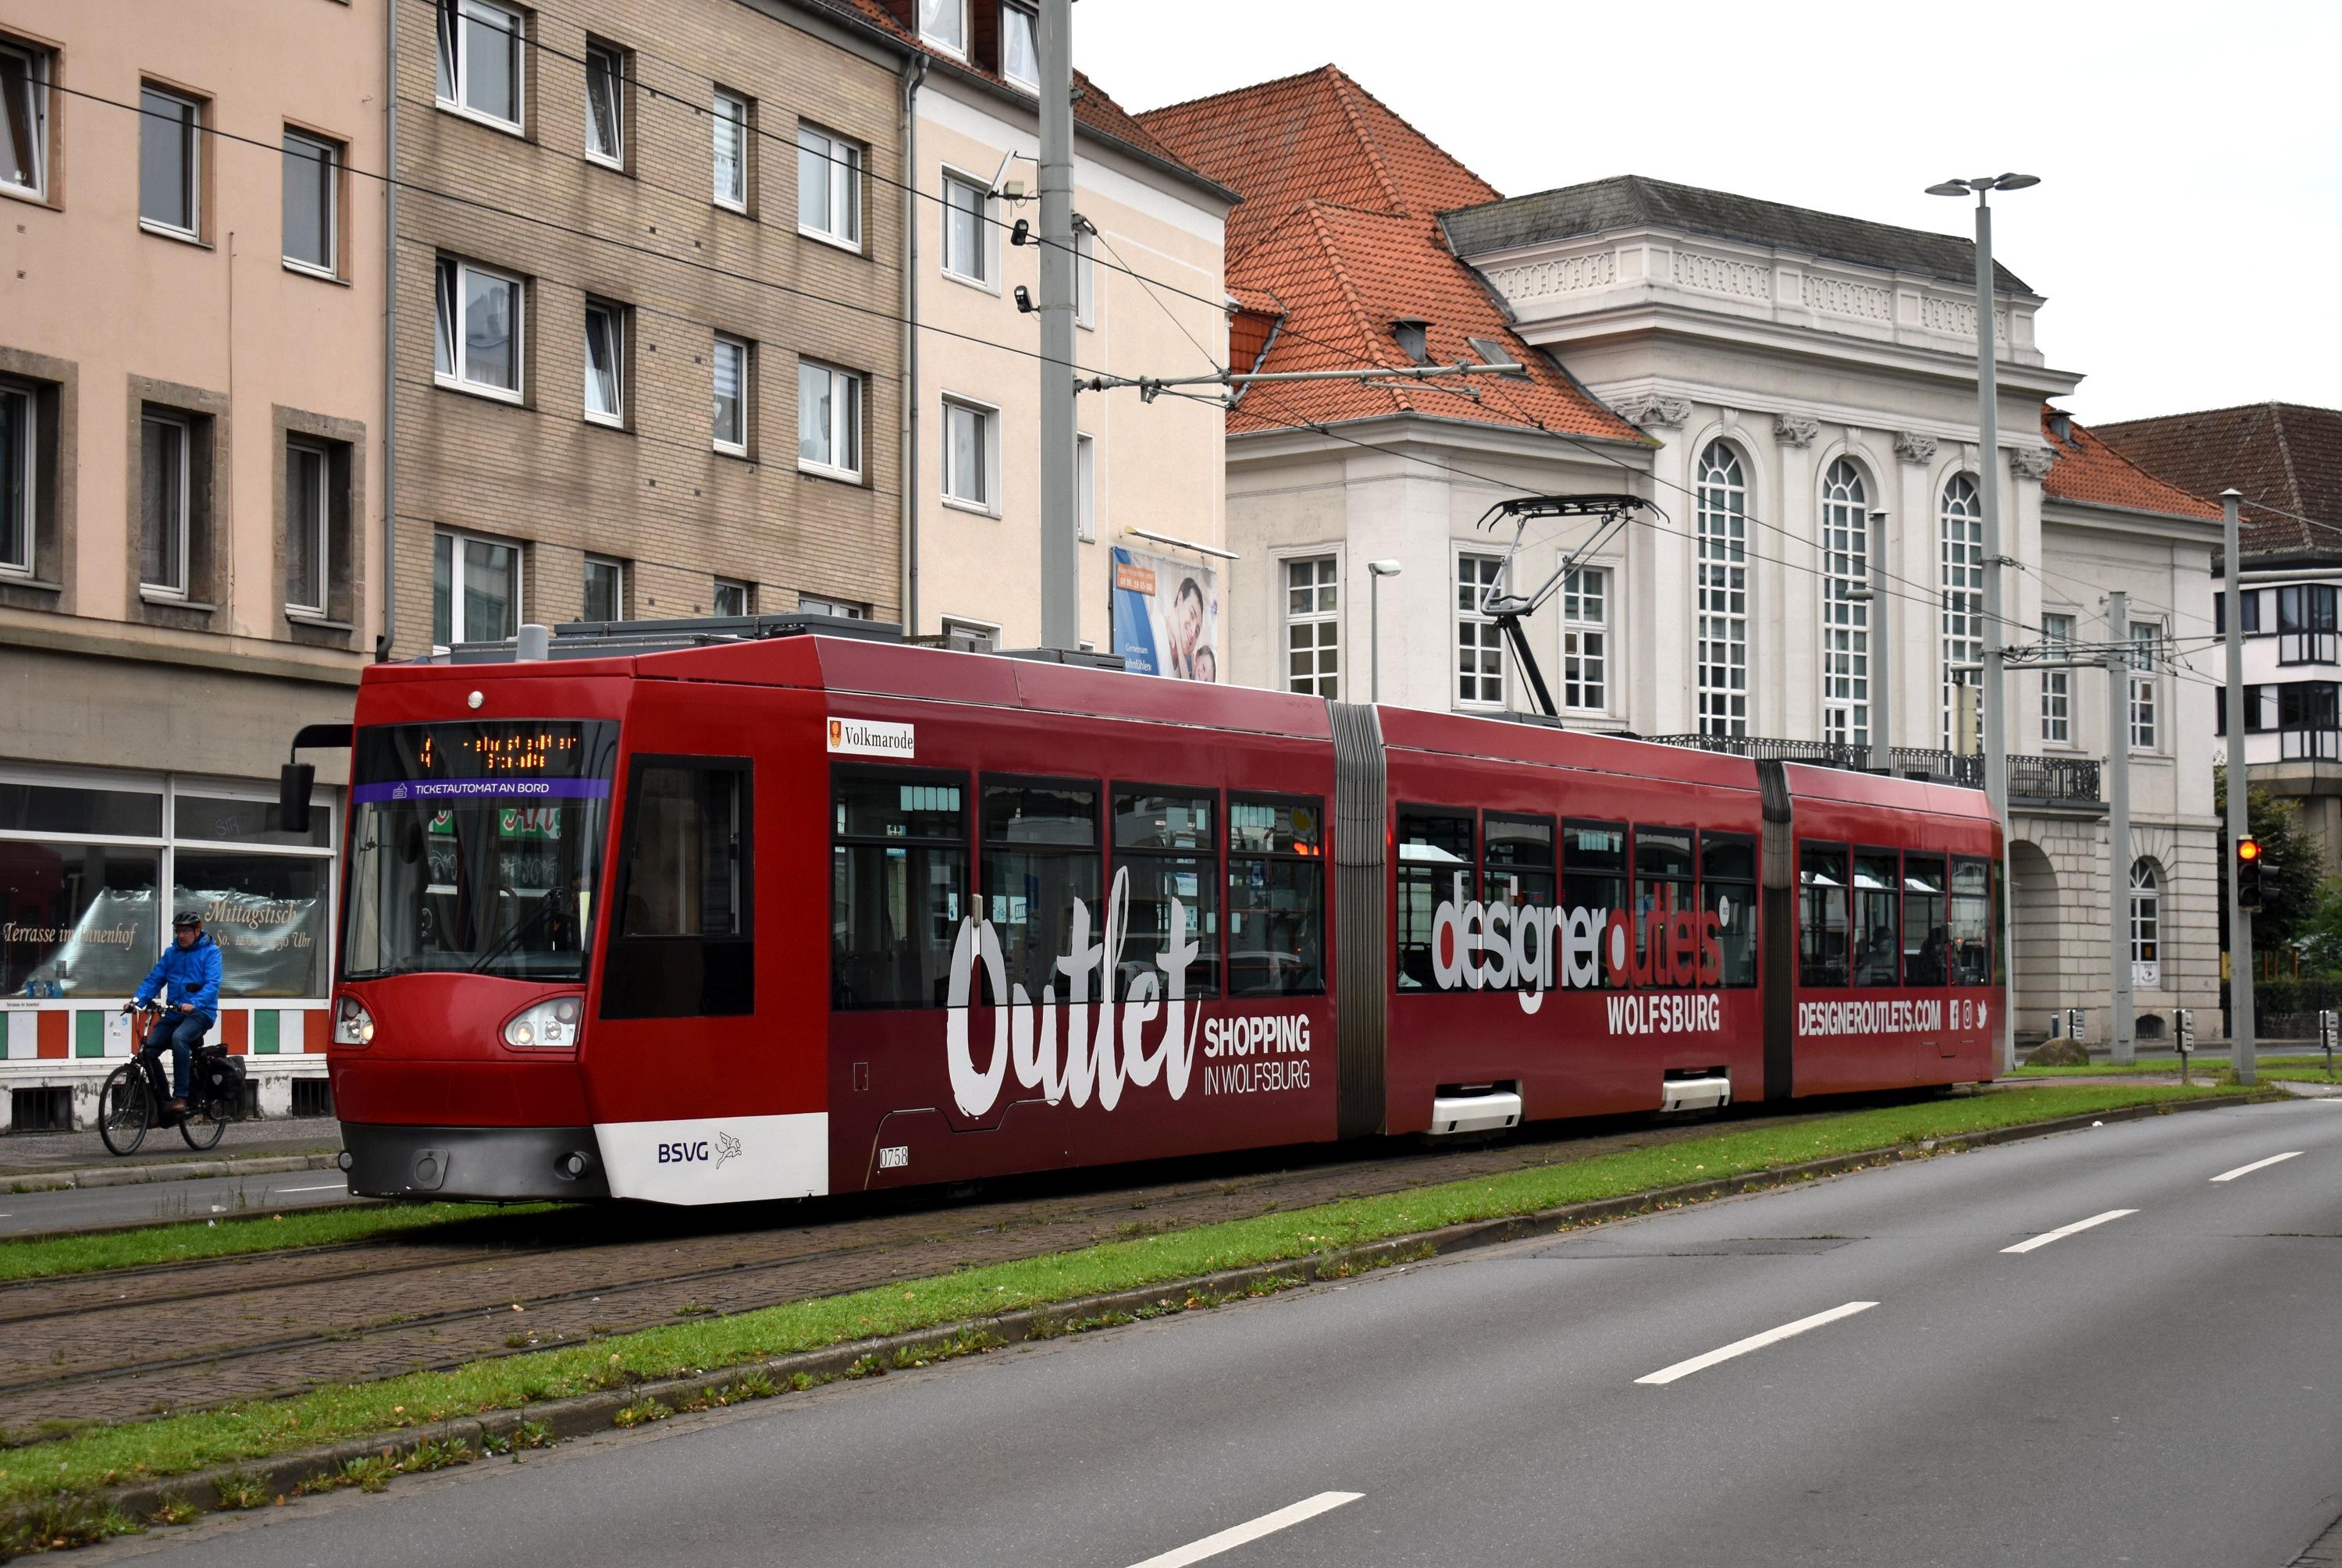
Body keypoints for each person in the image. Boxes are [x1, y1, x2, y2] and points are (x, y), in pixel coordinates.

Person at [126, 912, 222, 1115]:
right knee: (148, 1052)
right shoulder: (172, 954)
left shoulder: (211, 953)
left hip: (201, 1012)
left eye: (186, 931)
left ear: (197, 931)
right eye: (179, 931)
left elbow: (212, 985)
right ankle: (164, 1104)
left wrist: (194, 1003)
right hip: (175, 1012)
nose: (182, 935)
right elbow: (155, 979)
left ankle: (181, 1097)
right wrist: (136, 1001)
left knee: (179, 1038)